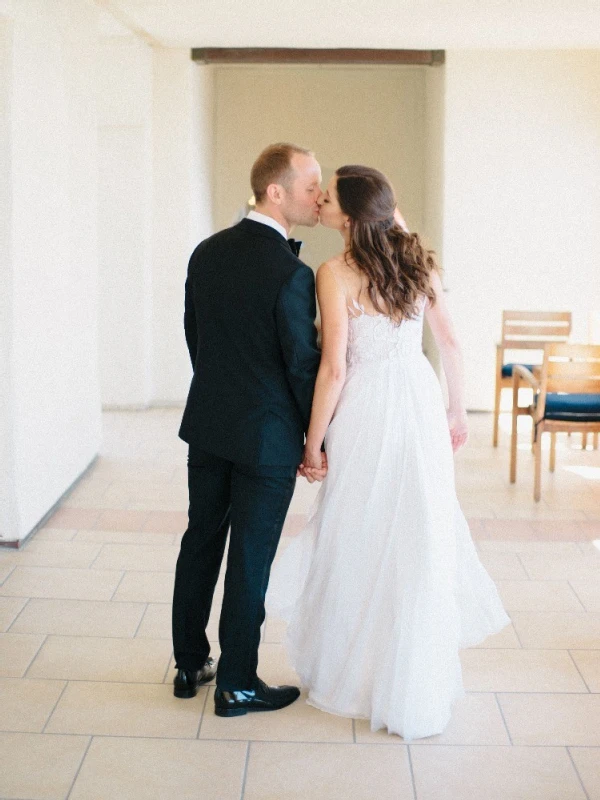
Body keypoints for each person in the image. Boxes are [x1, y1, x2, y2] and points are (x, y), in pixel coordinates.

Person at [266, 165, 511, 740]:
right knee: (417, 528)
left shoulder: (334, 272)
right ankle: (409, 673)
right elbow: (449, 340)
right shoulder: (417, 262)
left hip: (367, 407)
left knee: (360, 528)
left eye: (329, 199)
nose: (320, 202)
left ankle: (361, 673)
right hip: (418, 397)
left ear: (348, 218)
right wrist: (456, 409)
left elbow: (333, 368)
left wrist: (312, 443)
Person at [172, 143, 327, 717]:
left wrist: (220, 390)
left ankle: (190, 661)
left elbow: (195, 336)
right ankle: (237, 682)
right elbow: (302, 366)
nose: (321, 195)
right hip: (266, 439)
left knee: (200, 541)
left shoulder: (205, 252)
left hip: (208, 426)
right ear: (276, 192)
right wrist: (318, 439)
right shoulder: (291, 272)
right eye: (311, 184)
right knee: (250, 559)